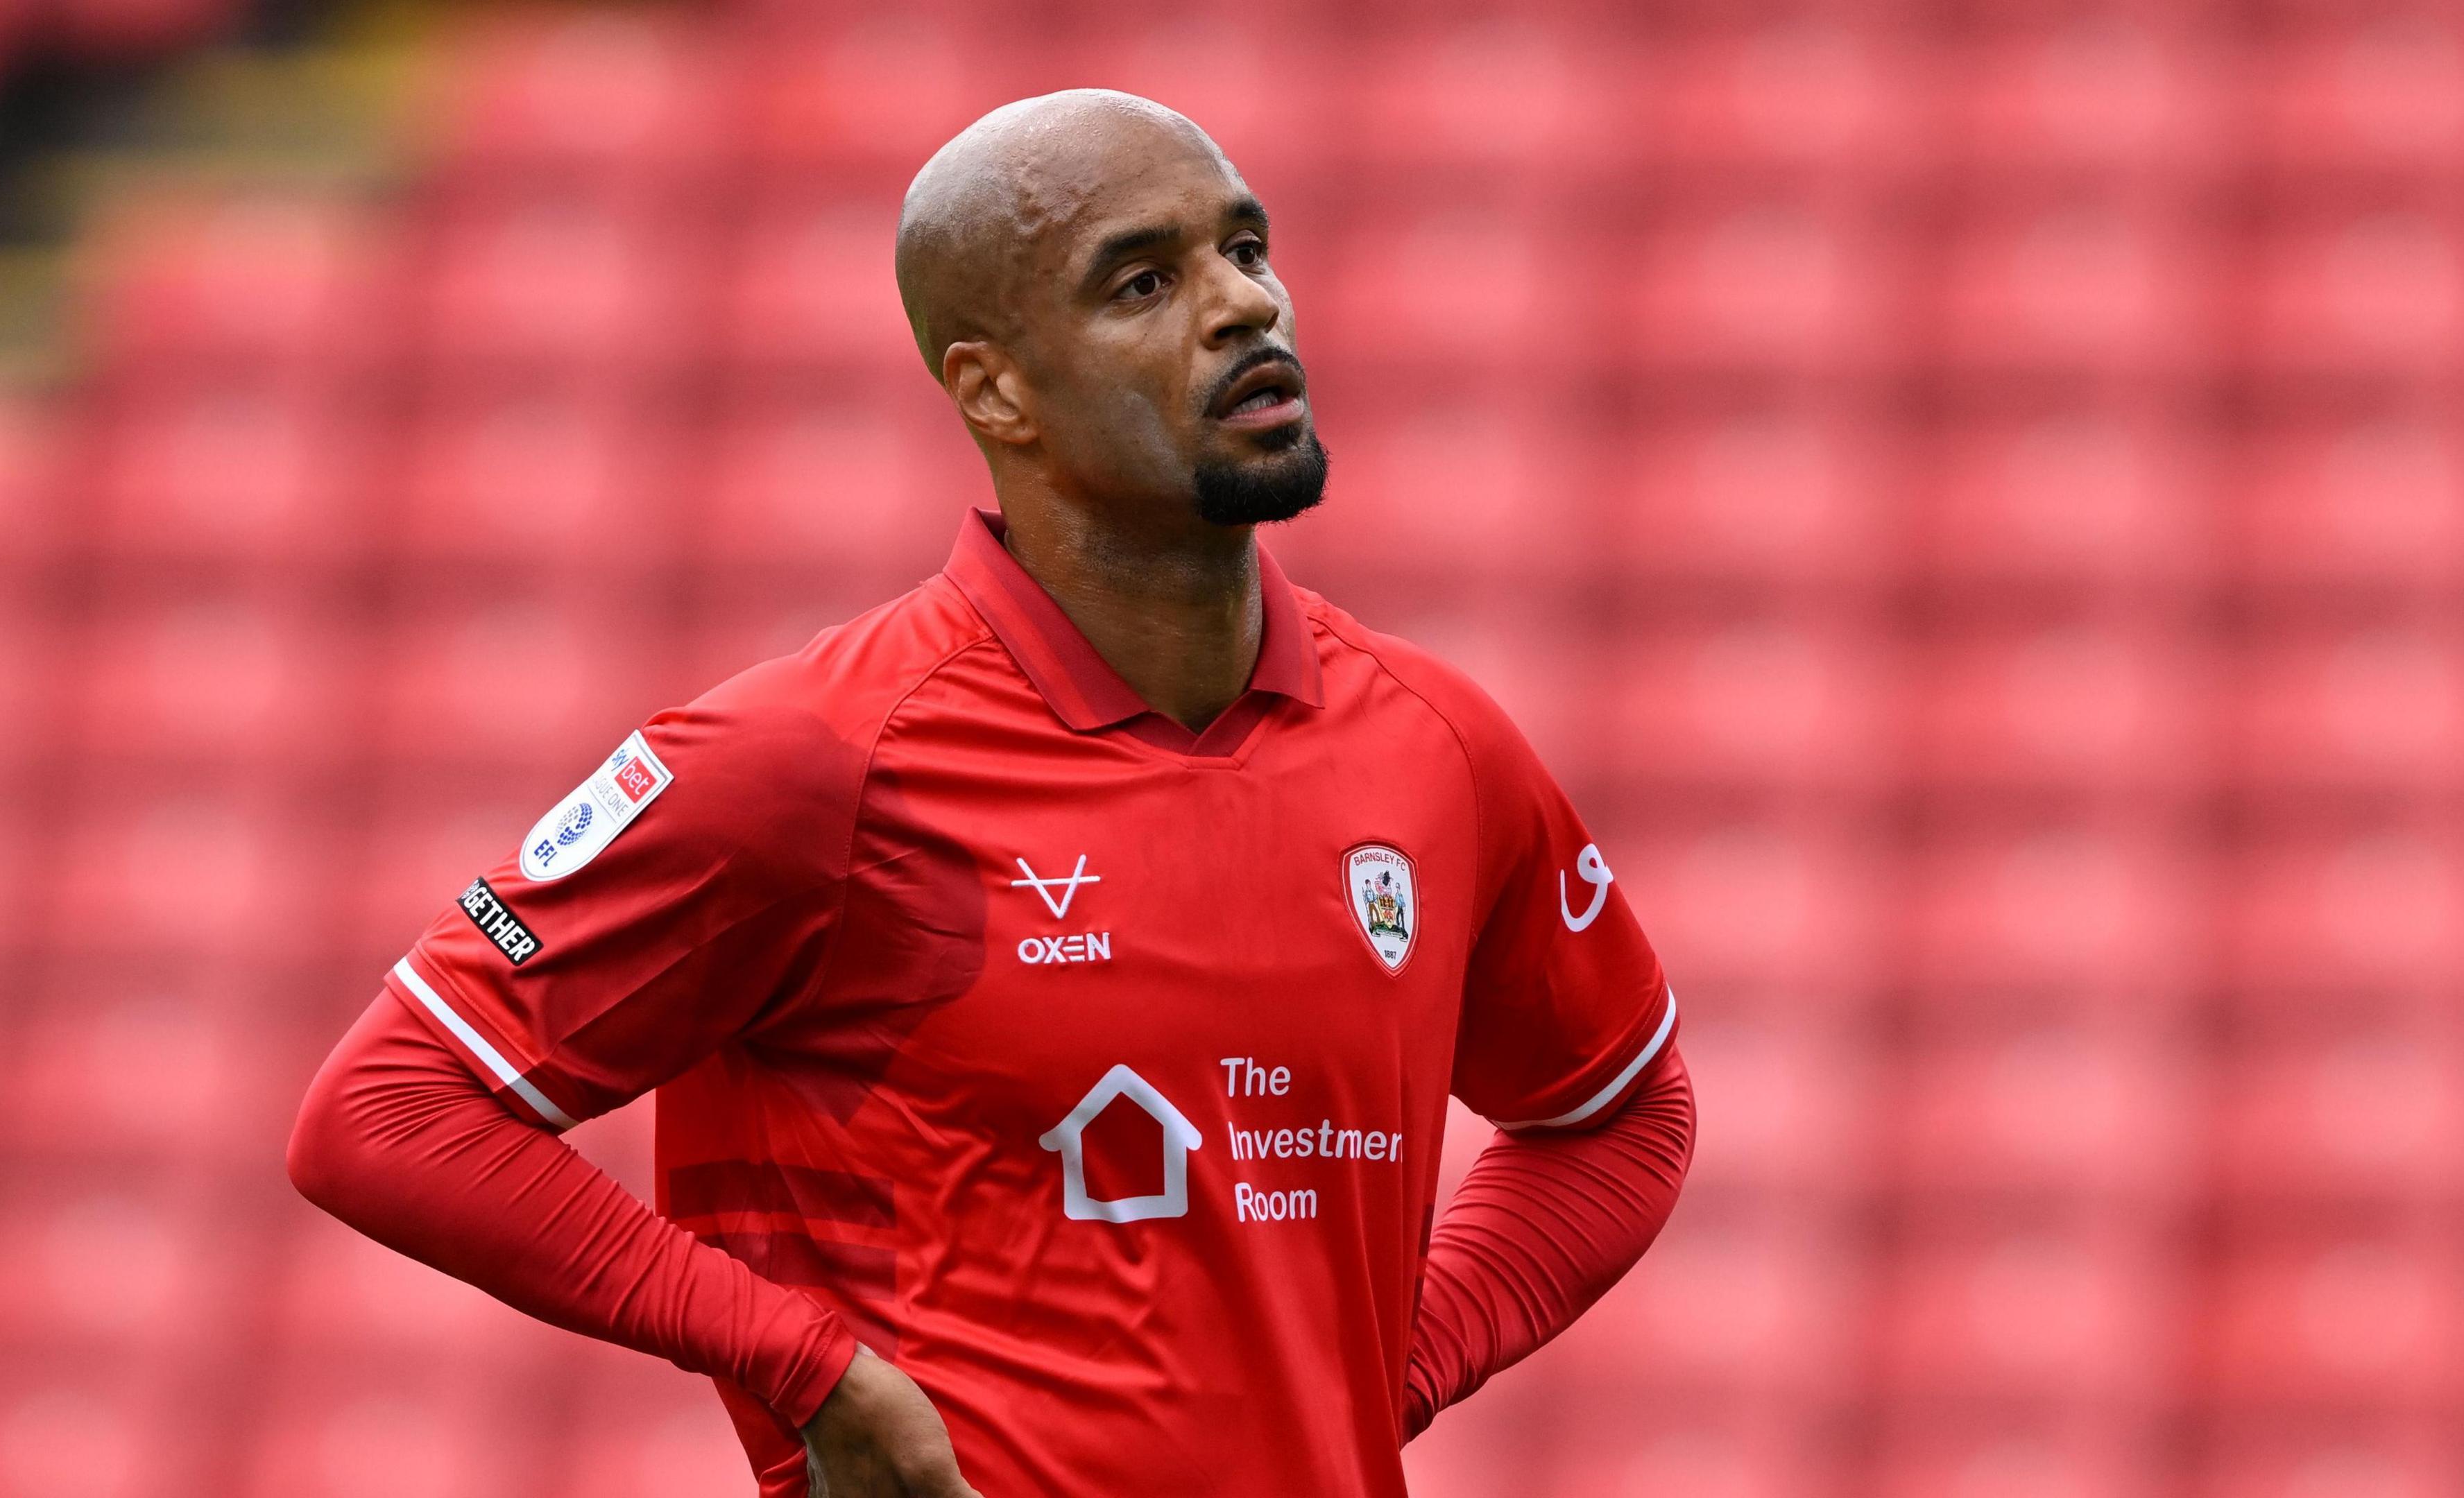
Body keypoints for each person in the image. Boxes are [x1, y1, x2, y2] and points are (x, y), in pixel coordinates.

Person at [289, 89, 1695, 1498]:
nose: (1242, 308)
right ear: (995, 390)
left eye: (1247, 252)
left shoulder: (1440, 748)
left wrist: (1396, 1366)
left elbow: (1619, 1114)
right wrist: (806, 1370)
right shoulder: (812, 758)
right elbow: (391, 1114)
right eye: (1145, 282)